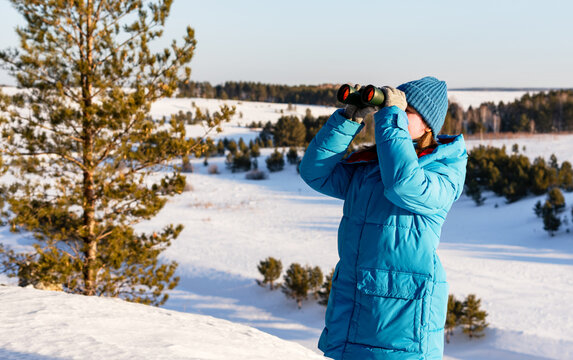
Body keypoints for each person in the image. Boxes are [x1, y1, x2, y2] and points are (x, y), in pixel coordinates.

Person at [299, 76, 467, 360]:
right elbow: (315, 172)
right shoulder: (369, 167)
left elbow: (404, 184)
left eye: (406, 110)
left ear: (427, 124)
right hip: (352, 314)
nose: (397, 113)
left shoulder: (444, 169)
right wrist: (348, 120)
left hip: (400, 326)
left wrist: (390, 115)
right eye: (395, 106)